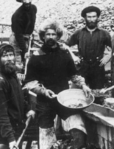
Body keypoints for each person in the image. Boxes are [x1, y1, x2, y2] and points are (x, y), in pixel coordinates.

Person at [23, 21, 92, 149]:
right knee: (46, 136)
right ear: (43, 37)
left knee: (78, 128)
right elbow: (30, 82)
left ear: (57, 36)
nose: (50, 37)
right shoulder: (36, 57)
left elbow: (73, 74)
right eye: (47, 34)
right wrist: (43, 91)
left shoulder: (64, 53)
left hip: (64, 99)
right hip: (44, 101)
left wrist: (83, 85)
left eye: (53, 34)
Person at [0, 44, 35, 149]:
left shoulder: (12, 75)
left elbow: (19, 98)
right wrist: (10, 139)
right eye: (5, 56)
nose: (9, 59)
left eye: (11, 55)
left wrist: (27, 110)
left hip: (16, 129)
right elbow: (0, 115)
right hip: (4, 135)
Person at [67, 6, 112, 89]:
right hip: (83, 66)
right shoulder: (79, 33)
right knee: (79, 92)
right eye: (89, 17)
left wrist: (108, 56)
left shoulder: (104, 33)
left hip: (98, 67)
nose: (92, 19)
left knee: (97, 94)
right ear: (85, 18)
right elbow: (65, 45)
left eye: (94, 17)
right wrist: (73, 57)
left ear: (97, 17)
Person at [10, 0, 37, 65]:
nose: (27, 1)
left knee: (28, 60)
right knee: (17, 61)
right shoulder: (17, 15)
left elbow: (32, 21)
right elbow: (18, 35)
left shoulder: (34, 8)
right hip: (17, 38)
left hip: (28, 36)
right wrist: (24, 50)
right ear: (21, 1)